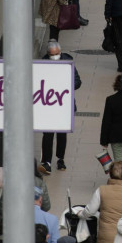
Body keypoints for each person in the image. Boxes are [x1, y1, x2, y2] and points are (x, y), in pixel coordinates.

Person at [39, 40, 82, 174]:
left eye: (57, 54)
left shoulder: (68, 63)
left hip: (63, 104)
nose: (55, 56)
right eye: (52, 54)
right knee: (48, 134)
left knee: (62, 133)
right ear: (48, 54)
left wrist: (66, 85)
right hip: (49, 105)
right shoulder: (42, 64)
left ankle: (60, 159)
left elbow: (77, 81)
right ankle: (46, 161)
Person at [77, 161, 122, 243]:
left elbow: (90, 211)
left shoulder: (101, 190)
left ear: (110, 175)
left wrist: (80, 214)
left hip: (106, 236)